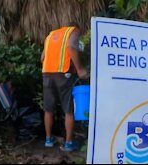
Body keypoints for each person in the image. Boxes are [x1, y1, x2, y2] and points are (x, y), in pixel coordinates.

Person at [41, 22, 89, 152]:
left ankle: (48, 139)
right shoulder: (73, 32)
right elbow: (71, 47)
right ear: (77, 28)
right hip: (63, 73)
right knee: (68, 109)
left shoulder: (51, 35)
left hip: (47, 73)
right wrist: (79, 69)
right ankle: (68, 143)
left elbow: (42, 57)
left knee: (48, 108)